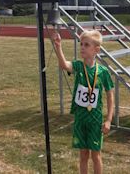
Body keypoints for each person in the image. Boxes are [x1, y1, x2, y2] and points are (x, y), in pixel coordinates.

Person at [52, 30, 114, 174]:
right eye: (81, 44)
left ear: (96, 50)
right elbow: (64, 65)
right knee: (83, 155)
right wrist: (58, 47)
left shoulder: (103, 72)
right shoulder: (78, 66)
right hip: (80, 118)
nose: (82, 48)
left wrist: (109, 120)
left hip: (95, 120)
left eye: (87, 45)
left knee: (96, 155)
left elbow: (110, 96)